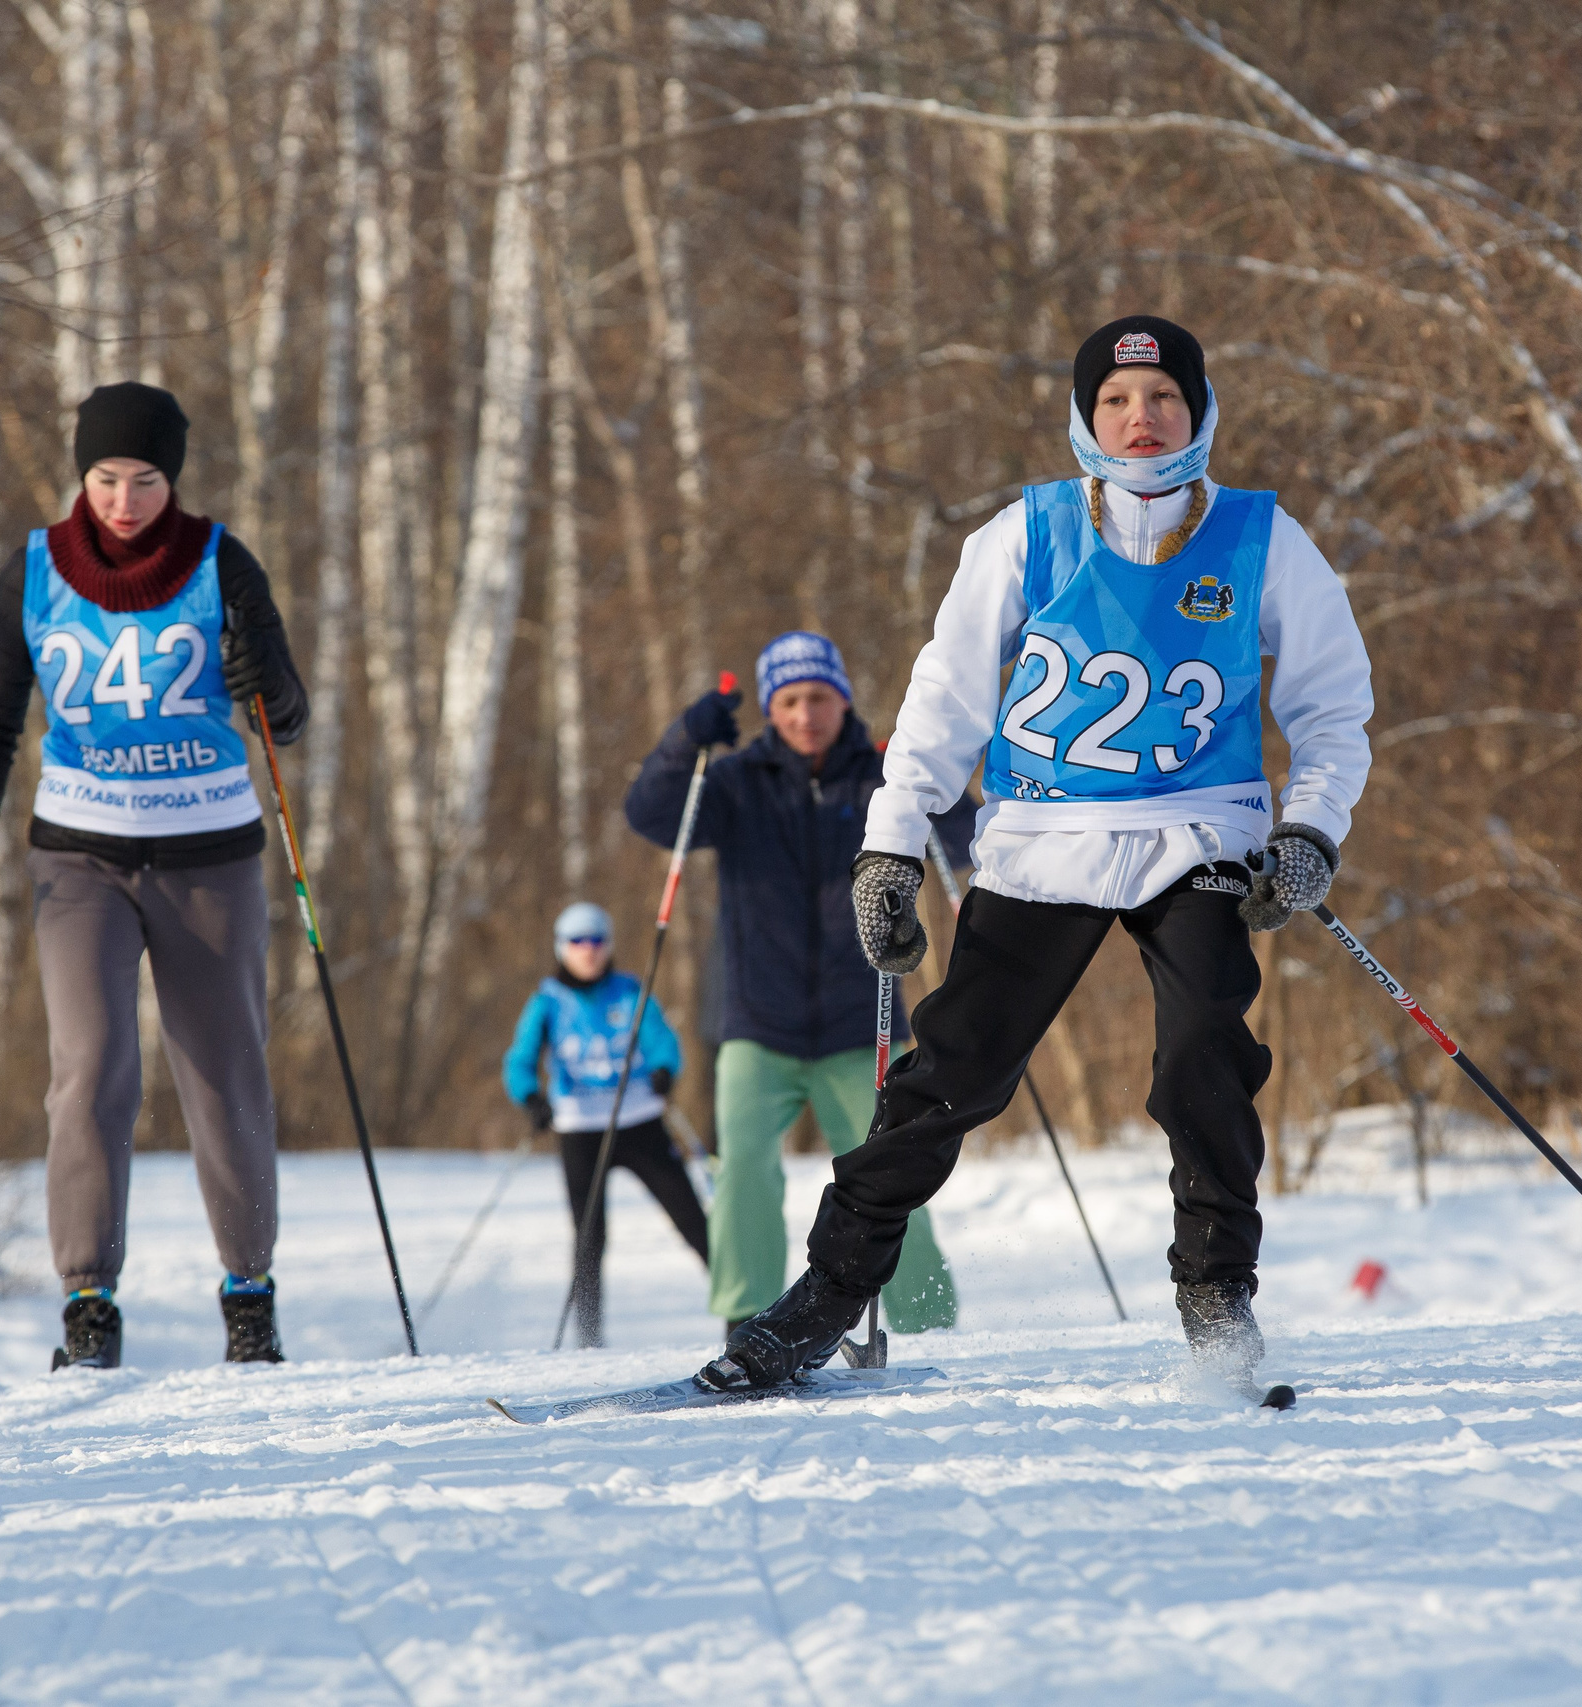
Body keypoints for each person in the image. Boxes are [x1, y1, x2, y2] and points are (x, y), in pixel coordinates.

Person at [703, 315, 1375, 1393]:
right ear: (1084, 416)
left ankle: (1215, 1296)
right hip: (1042, 839)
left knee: (1204, 1053)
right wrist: (890, 848)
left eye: (1161, 400)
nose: (1140, 419)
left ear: (1197, 412)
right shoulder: (1027, 533)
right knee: (950, 1078)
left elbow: (1333, 708)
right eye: (1116, 402)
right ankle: (820, 1301)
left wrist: (1309, 828)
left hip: (1200, 832)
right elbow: (943, 700)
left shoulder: (1262, 537)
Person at [0, 382, 308, 1372]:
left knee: (224, 1074)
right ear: (81, 476)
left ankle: (249, 1294)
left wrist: (259, 679)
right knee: (90, 1071)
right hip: (79, 855)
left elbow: (288, 715)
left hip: (209, 854)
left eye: (144, 479)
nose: (125, 500)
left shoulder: (222, 564)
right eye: (105, 478)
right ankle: (88, 1303)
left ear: (170, 479)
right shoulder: (35, 572)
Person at [625, 632, 978, 1343]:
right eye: (789, 700)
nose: (805, 713)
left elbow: (967, 836)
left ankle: (927, 1319)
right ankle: (745, 1320)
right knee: (745, 1174)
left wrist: (938, 767)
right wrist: (682, 742)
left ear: (841, 699)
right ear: (770, 708)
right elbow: (654, 814)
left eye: (819, 696)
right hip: (759, 1022)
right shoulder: (734, 782)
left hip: (865, 1018)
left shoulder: (882, 772)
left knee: (895, 1170)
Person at [503, 902, 710, 1347]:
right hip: (580, 1129)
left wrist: (663, 1071)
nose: (588, 951)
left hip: (637, 1121)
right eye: (577, 942)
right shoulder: (546, 1001)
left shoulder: (630, 992)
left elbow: (662, 1042)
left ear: (608, 945)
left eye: (596, 941)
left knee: (691, 1218)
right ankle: (589, 1339)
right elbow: (519, 1061)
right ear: (561, 948)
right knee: (589, 1235)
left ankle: (744, 1311)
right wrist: (531, 1098)